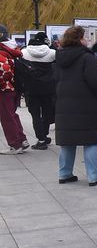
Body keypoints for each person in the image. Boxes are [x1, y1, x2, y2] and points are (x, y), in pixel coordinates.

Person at [54, 26, 97, 185]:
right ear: (80, 39)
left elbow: (54, 80)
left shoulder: (59, 58)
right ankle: (93, 176)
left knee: (67, 141)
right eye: (85, 37)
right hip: (86, 106)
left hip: (64, 106)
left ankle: (65, 173)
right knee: (89, 140)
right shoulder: (87, 58)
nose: (88, 40)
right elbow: (96, 82)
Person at [16, 32, 56, 150]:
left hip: (31, 89)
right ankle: (44, 135)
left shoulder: (23, 53)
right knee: (47, 113)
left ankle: (41, 139)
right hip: (48, 89)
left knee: (35, 115)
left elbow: (19, 71)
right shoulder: (52, 53)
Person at [0, 25, 28, 154]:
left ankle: (15, 145)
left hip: (4, 89)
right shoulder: (11, 48)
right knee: (12, 115)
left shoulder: (1, 51)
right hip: (13, 87)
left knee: (7, 117)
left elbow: (4, 72)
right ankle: (21, 140)